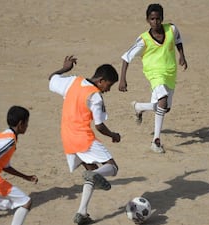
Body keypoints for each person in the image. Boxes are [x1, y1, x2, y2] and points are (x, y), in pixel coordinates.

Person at [48, 56, 121, 225]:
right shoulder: (95, 96)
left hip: (67, 138)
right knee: (112, 167)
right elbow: (100, 126)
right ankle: (94, 175)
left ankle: (81, 213)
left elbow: (51, 79)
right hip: (83, 139)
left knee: (91, 176)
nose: (107, 90)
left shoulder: (73, 81)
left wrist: (64, 69)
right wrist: (113, 135)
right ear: (101, 81)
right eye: (108, 86)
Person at [118, 3, 187, 153]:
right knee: (162, 101)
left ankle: (139, 107)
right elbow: (126, 57)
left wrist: (182, 55)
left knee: (165, 108)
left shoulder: (172, 29)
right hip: (154, 74)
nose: (155, 22)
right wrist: (122, 79)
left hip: (170, 72)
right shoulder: (143, 39)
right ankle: (156, 141)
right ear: (147, 20)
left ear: (162, 18)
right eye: (152, 19)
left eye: (158, 19)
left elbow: (178, 40)